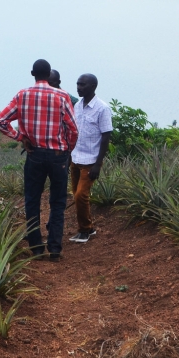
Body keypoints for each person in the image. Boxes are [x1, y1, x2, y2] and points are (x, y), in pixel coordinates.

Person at [0, 59, 79, 260]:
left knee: (32, 200)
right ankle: (55, 249)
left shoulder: (22, 95)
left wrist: (21, 137)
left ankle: (37, 248)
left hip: (34, 155)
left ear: (33, 73)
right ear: (49, 74)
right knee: (57, 202)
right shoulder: (62, 96)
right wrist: (68, 150)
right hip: (58, 156)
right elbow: (73, 129)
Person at [68, 73, 113, 244]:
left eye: (83, 85)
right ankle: (89, 227)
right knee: (77, 195)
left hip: (90, 162)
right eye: (78, 84)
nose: (79, 88)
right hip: (76, 157)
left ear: (93, 87)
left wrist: (98, 164)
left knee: (81, 195)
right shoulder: (77, 106)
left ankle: (84, 230)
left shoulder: (102, 108)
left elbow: (106, 137)